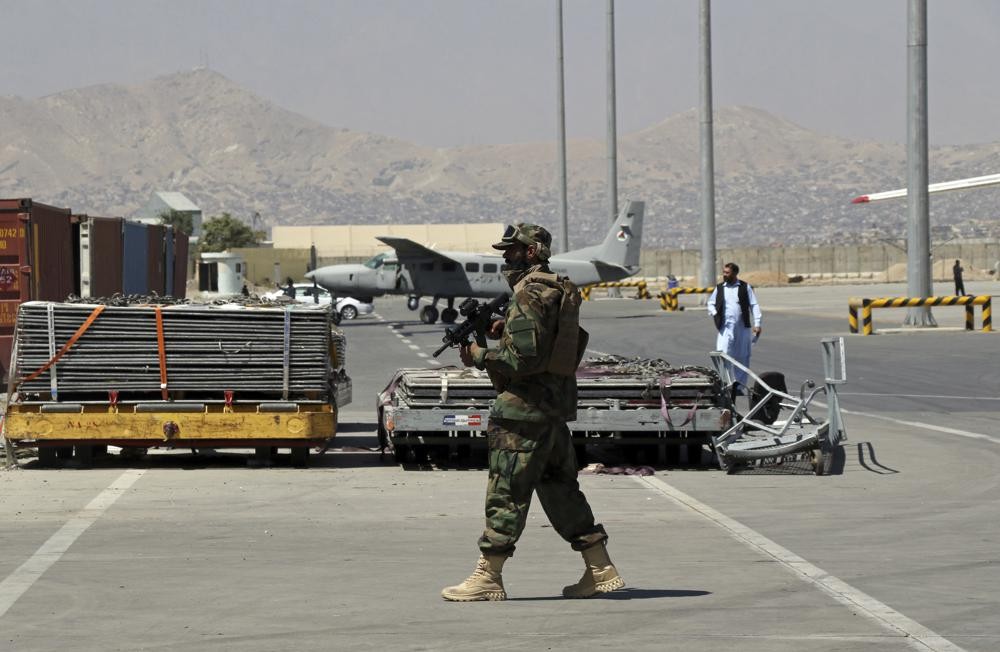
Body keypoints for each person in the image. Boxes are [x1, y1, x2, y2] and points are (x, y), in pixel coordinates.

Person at [441, 222, 624, 602]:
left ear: (531, 251)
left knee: (506, 491)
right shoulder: (554, 288)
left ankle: (488, 576)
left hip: (522, 413)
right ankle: (601, 570)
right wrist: (502, 328)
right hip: (553, 409)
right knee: (561, 490)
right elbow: (545, 345)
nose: (505, 258)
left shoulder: (528, 293)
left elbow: (522, 359)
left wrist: (480, 356)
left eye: (512, 250)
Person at [706, 262, 762, 395]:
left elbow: (754, 305)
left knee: (743, 356)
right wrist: (714, 313)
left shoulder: (745, 287)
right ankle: (724, 384)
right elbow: (710, 303)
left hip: (742, 327)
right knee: (722, 354)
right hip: (725, 328)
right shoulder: (720, 288)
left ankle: (739, 387)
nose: (724, 275)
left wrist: (758, 323)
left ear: (735, 273)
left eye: (727, 273)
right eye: (724, 272)